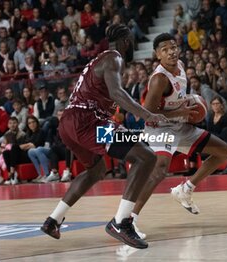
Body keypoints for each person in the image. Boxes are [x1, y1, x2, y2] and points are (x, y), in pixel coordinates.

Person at [40, 24, 167, 249]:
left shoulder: (100, 59)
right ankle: (121, 222)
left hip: (69, 124)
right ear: (126, 41)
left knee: (96, 171)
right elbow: (118, 93)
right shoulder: (114, 58)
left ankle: (53, 220)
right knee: (145, 157)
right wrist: (147, 115)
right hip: (89, 122)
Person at [130, 33, 227, 239]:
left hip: (180, 125)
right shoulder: (159, 79)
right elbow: (145, 114)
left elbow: (179, 97)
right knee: (159, 170)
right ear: (158, 55)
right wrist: (180, 113)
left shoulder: (182, 67)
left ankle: (186, 189)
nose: (172, 52)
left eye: (174, 47)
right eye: (165, 49)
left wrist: (191, 106)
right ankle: (128, 220)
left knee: (223, 152)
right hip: (159, 129)